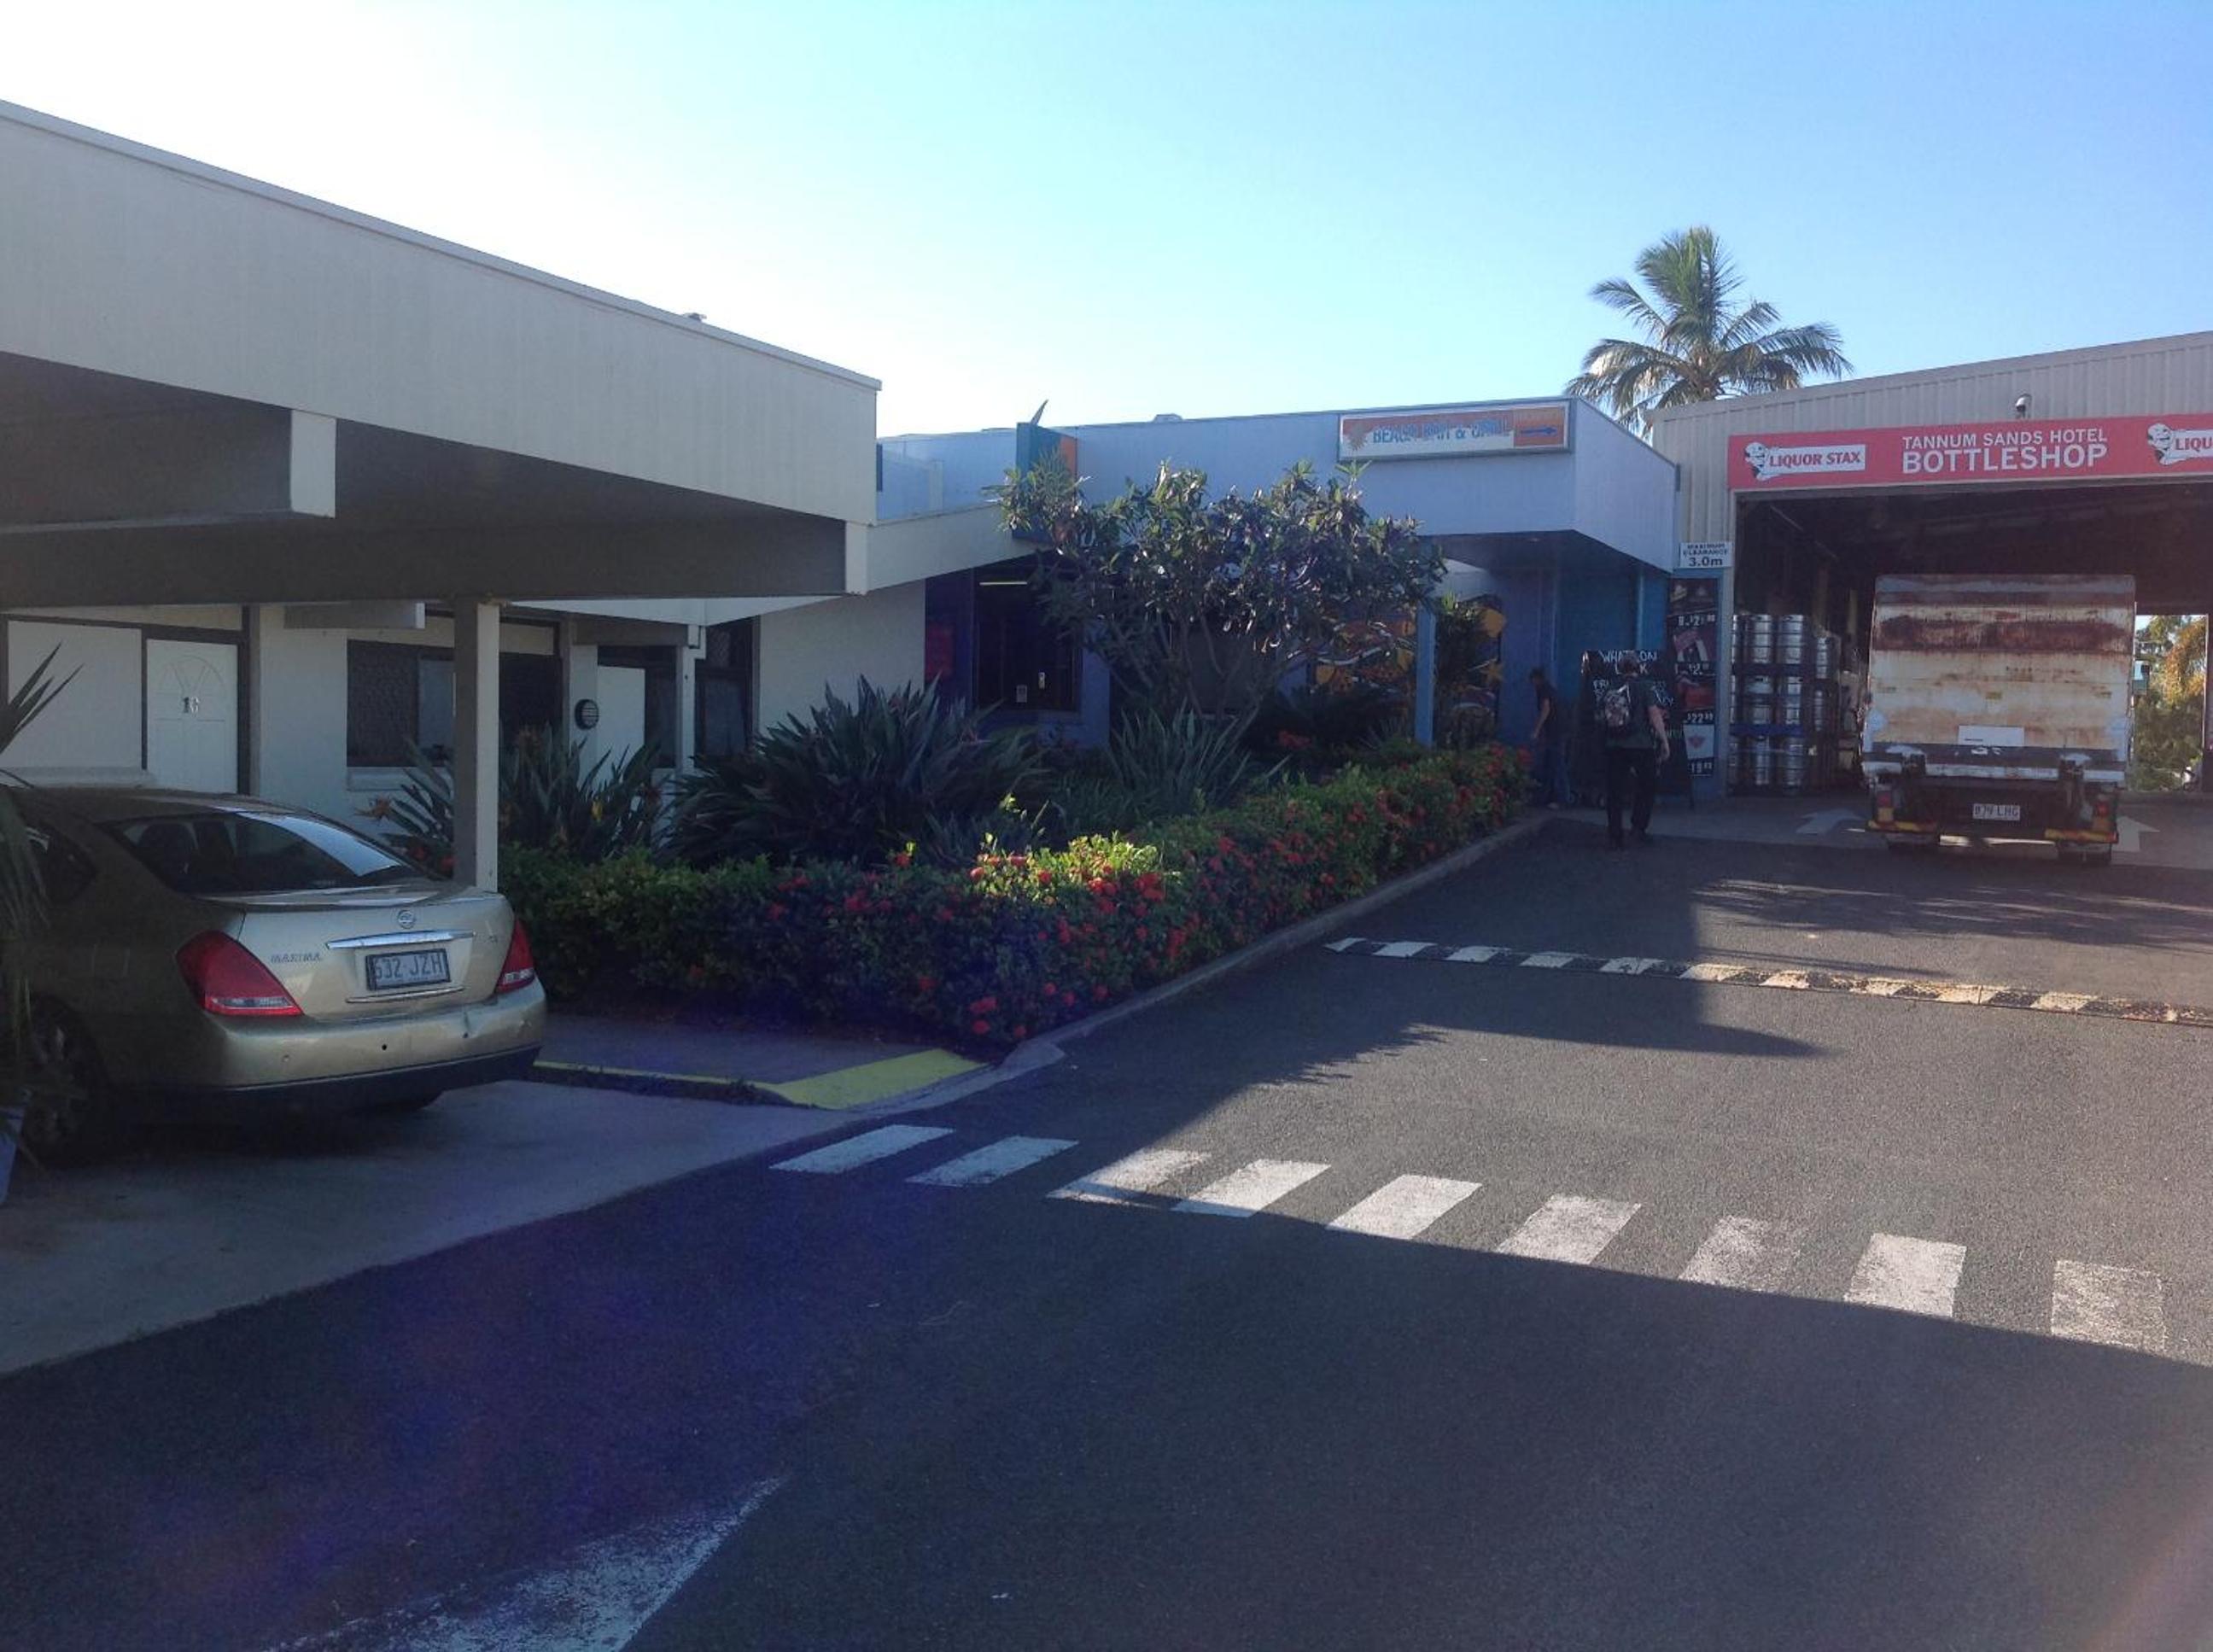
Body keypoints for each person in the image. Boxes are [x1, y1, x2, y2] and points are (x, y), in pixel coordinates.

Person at [1602, 657, 1671, 849]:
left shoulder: (1611, 686)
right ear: (1638, 668)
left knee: (1614, 791)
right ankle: (1638, 827)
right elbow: (1654, 714)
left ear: (1620, 668)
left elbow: (1602, 714)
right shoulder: (1645, 686)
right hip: (1641, 744)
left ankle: (1615, 836)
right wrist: (1664, 741)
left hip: (1615, 744)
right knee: (1647, 785)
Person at [1527, 666, 1569, 808]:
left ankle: (1561, 798)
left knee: (1556, 764)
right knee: (1553, 763)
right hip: (1559, 729)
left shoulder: (1543, 690)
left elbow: (1546, 709)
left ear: (1536, 679)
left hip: (1554, 731)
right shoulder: (1550, 689)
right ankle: (1552, 797)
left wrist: (1536, 730)